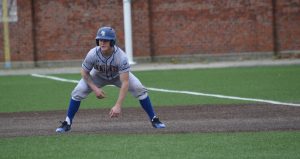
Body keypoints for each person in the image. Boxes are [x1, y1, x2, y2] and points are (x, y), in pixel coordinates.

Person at [56, 26, 166, 133]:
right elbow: (84, 72)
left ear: (112, 42)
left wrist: (118, 105)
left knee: (139, 89)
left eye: (106, 40)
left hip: (118, 76)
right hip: (98, 76)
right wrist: (95, 89)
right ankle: (67, 122)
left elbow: (125, 82)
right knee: (78, 91)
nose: (102, 42)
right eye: (100, 40)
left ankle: (154, 119)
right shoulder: (92, 54)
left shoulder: (121, 57)